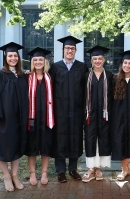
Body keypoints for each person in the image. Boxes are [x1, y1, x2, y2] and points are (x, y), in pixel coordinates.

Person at [0, 42, 28, 192]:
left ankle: (15, 176)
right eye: (10, 55)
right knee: (2, 146)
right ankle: (6, 176)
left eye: (15, 55)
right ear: (5, 57)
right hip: (4, 117)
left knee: (15, 146)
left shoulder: (21, 75)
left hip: (19, 118)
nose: (13, 58)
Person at [49, 35, 89, 183]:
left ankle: (73, 169)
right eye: (67, 48)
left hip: (76, 110)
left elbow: (88, 86)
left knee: (75, 137)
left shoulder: (82, 67)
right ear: (63, 49)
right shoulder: (55, 67)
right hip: (59, 110)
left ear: (76, 50)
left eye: (72, 48)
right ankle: (60, 171)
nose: (70, 50)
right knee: (59, 138)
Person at [82, 45, 113, 183]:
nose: (97, 61)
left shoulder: (110, 76)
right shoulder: (86, 76)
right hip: (90, 114)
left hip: (105, 114)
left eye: (100, 58)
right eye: (95, 59)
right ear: (91, 60)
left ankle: (99, 168)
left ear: (104, 59)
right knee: (90, 140)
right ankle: (90, 168)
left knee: (103, 139)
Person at [24, 47, 55, 186]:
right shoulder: (27, 77)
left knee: (46, 146)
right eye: (35, 60)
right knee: (32, 147)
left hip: (47, 119)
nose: (38, 62)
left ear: (45, 61)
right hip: (32, 119)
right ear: (32, 62)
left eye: (40, 59)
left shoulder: (50, 78)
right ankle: (32, 174)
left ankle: (44, 173)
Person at [111, 50, 130, 181]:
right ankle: (124, 170)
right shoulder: (114, 79)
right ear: (121, 64)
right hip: (118, 118)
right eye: (125, 63)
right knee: (120, 142)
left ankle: (126, 168)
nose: (127, 65)